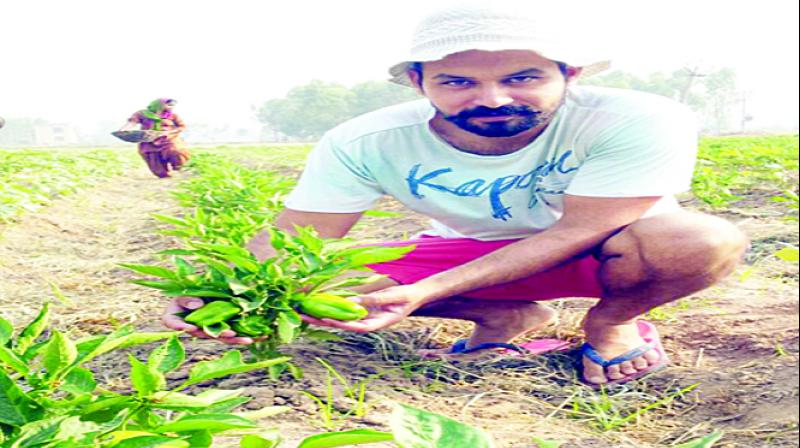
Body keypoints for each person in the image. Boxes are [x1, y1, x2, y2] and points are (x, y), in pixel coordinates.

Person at [164, 7, 747, 386]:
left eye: (522, 77)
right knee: (306, 289)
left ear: (568, 75)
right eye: (458, 82)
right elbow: (296, 238)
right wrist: (222, 296)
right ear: (418, 82)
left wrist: (423, 292)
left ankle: (613, 324)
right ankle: (505, 312)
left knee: (701, 239)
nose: (492, 99)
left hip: (607, 255)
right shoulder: (367, 141)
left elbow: (576, 231)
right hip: (474, 256)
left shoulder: (638, 118)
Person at [120, 98, 189, 178]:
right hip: (149, 139)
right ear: (159, 105)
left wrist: (169, 132)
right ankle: (164, 176)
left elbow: (181, 126)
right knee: (153, 159)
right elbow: (132, 122)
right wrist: (124, 129)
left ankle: (181, 170)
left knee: (175, 151)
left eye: (172, 106)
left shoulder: (172, 115)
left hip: (168, 138)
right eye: (169, 105)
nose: (171, 107)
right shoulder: (142, 113)